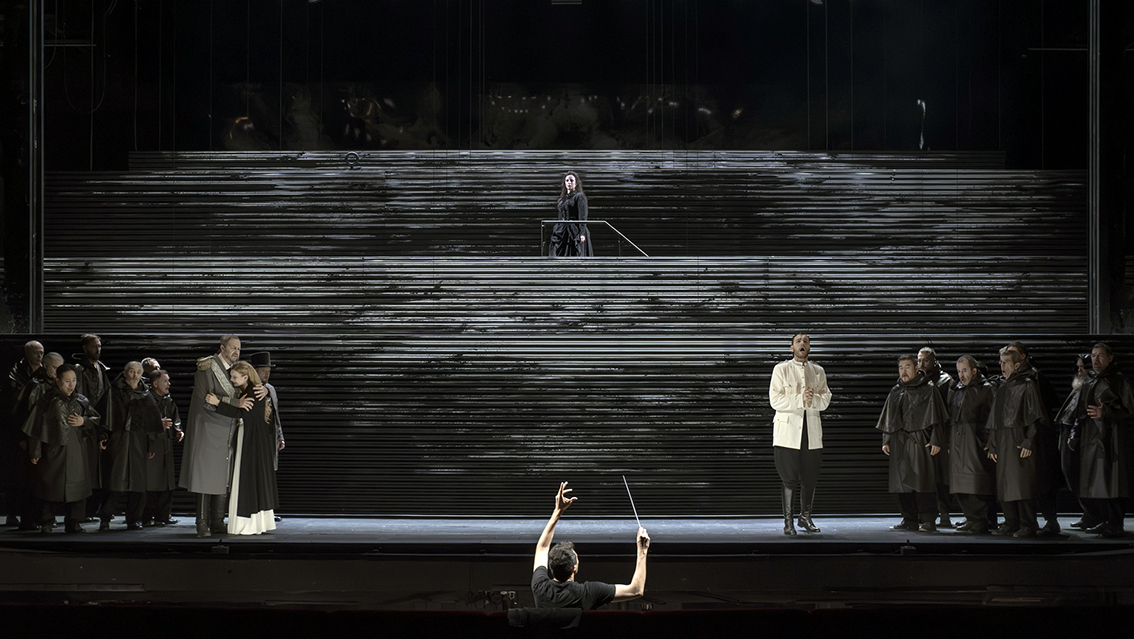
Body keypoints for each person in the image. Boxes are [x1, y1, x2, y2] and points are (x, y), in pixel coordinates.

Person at [180, 335, 258, 537]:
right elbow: (205, 400)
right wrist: (234, 403)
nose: (236, 351)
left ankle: (217, 520)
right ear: (222, 348)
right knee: (205, 477)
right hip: (208, 427)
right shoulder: (207, 367)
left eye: (238, 348)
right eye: (232, 347)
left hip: (228, 428)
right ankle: (202, 522)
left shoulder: (236, 369)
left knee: (224, 477)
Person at [530, 482, 649, 609]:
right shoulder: (588, 593)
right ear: (574, 568)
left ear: (551, 567)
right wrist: (642, 550)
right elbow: (636, 590)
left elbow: (542, 548)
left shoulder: (540, 588)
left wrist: (557, 511)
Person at [22, 365, 100, 534]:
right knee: (49, 487)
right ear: (57, 381)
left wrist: (84, 421)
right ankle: (47, 522)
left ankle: (74, 522)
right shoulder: (46, 401)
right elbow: (35, 428)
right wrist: (35, 451)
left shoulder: (81, 400)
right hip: (53, 451)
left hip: (77, 451)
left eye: (74, 380)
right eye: (67, 381)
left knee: (78, 489)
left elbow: (97, 419)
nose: (71, 385)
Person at [205, 361, 278, 535]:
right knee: (250, 478)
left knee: (247, 478)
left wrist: (217, 403)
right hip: (252, 438)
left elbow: (241, 413)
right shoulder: (249, 391)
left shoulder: (253, 391)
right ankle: (254, 523)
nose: (232, 379)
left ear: (245, 377)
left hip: (251, 440)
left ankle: (247, 524)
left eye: (235, 377)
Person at [769, 332, 831, 535]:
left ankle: (805, 517)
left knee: (810, 477)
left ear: (809, 347)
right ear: (792, 348)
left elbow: (826, 398)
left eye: (806, 341)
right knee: (789, 479)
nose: (802, 343)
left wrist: (812, 399)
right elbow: (775, 400)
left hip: (811, 432)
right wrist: (800, 398)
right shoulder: (781, 369)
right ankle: (788, 522)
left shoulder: (818, 371)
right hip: (788, 433)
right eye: (798, 341)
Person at [1068, 343, 1132, 538]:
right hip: (1092, 440)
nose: (1096, 360)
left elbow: (1129, 410)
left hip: (1112, 440)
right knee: (1098, 482)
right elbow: (1080, 412)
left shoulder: (1119, 381)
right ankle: (1105, 521)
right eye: (1094, 356)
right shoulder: (1090, 381)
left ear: (1110, 358)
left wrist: (1106, 413)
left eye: (1101, 355)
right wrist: (1074, 433)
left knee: (1112, 482)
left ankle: (1115, 524)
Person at [877, 354, 946, 532]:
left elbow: (937, 417)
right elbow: (889, 417)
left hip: (920, 440)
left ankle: (928, 520)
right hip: (899, 441)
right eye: (901, 367)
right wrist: (886, 439)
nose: (903, 371)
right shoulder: (896, 391)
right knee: (902, 482)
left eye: (907, 367)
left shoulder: (928, 389)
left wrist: (936, 439)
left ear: (916, 369)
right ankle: (909, 519)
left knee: (923, 480)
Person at [1002, 342, 1061, 535]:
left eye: (1012, 354)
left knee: (1042, 480)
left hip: (1039, 436)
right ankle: (1022, 522)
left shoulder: (1033, 378)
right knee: (1024, 481)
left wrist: (1032, 434)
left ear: (1022, 358)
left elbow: (1044, 409)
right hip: (1021, 436)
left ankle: (1049, 521)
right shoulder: (1011, 381)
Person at [986, 347, 1044, 538]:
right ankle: (1011, 522)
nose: (1002, 366)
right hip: (1002, 440)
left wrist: (1029, 441)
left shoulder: (1027, 385)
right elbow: (994, 419)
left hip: (1018, 438)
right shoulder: (1003, 386)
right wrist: (992, 443)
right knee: (1004, 484)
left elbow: (1035, 416)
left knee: (1021, 484)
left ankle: (1028, 524)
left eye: (1006, 362)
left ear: (1017, 365)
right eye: (1000, 362)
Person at [8, 353, 65, 529]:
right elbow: (21, 413)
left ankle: (44, 517)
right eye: (55, 367)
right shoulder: (36, 385)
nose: (58, 371)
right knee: (32, 481)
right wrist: (23, 439)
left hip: (49, 441)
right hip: (34, 440)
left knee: (47, 479)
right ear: (46, 366)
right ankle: (30, 520)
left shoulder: (56, 385)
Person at [99, 362, 157, 531]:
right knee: (114, 481)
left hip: (138, 443)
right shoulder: (113, 392)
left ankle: (134, 519)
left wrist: (151, 444)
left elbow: (152, 423)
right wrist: (103, 436)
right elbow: (102, 416)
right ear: (125, 373)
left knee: (138, 483)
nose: (135, 375)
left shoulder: (145, 394)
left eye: (138, 372)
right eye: (132, 371)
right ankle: (105, 518)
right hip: (119, 441)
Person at [947, 356, 998, 535]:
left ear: (974, 371)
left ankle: (981, 520)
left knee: (977, 481)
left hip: (976, 441)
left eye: (965, 371)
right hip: (958, 442)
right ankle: (971, 518)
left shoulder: (986, 389)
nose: (961, 375)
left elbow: (994, 418)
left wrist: (990, 442)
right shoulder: (957, 389)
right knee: (960, 482)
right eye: (959, 371)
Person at [1055, 353, 1099, 530]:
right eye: (1078, 367)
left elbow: (1082, 414)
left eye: (1083, 367)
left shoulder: (1090, 386)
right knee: (1071, 476)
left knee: (1078, 476)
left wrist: (1075, 434)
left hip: (1079, 436)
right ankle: (1089, 514)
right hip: (1069, 432)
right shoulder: (1079, 386)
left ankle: (1092, 515)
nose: (1080, 371)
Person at [73, 334, 112, 520]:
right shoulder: (79, 369)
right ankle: (84, 511)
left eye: (100, 346)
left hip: (99, 424)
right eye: (94, 346)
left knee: (100, 469)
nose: (98, 349)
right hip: (85, 423)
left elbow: (106, 397)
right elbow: (80, 396)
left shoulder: (101, 369)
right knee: (86, 468)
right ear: (85, 348)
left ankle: (95, 509)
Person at [919, 347, 956, 527]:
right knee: (924, 476)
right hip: (921, 434)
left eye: (925, 360)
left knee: (941, 476)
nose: (921, 364)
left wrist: (947, 438)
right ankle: (924, 514)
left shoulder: (945, 381)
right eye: (919, 360)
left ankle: (944, 513)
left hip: (940, 433)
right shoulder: (917, 380)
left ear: (934, 361)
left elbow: (951, 409)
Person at [143, 369, 182, 527]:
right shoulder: (146, 401)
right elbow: (140, 423)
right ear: (155, 383)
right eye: (165, 381)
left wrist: (178, 431)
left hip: (166, 444)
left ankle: (163, 516)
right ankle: (146, 517)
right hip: (153, 444)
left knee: (167, 481)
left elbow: (175, 419)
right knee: (152, 482)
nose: (169, 384)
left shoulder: (168, 401)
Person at [548, 172, 593, 257]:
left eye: (571, 180)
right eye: (567, 180)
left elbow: (583, 215)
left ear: (576, 183)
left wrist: (582, 233)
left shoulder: (579, 196)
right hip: (563, 229)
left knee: (574, 253)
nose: (569, 182)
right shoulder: (563, 199)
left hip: (575, 230)